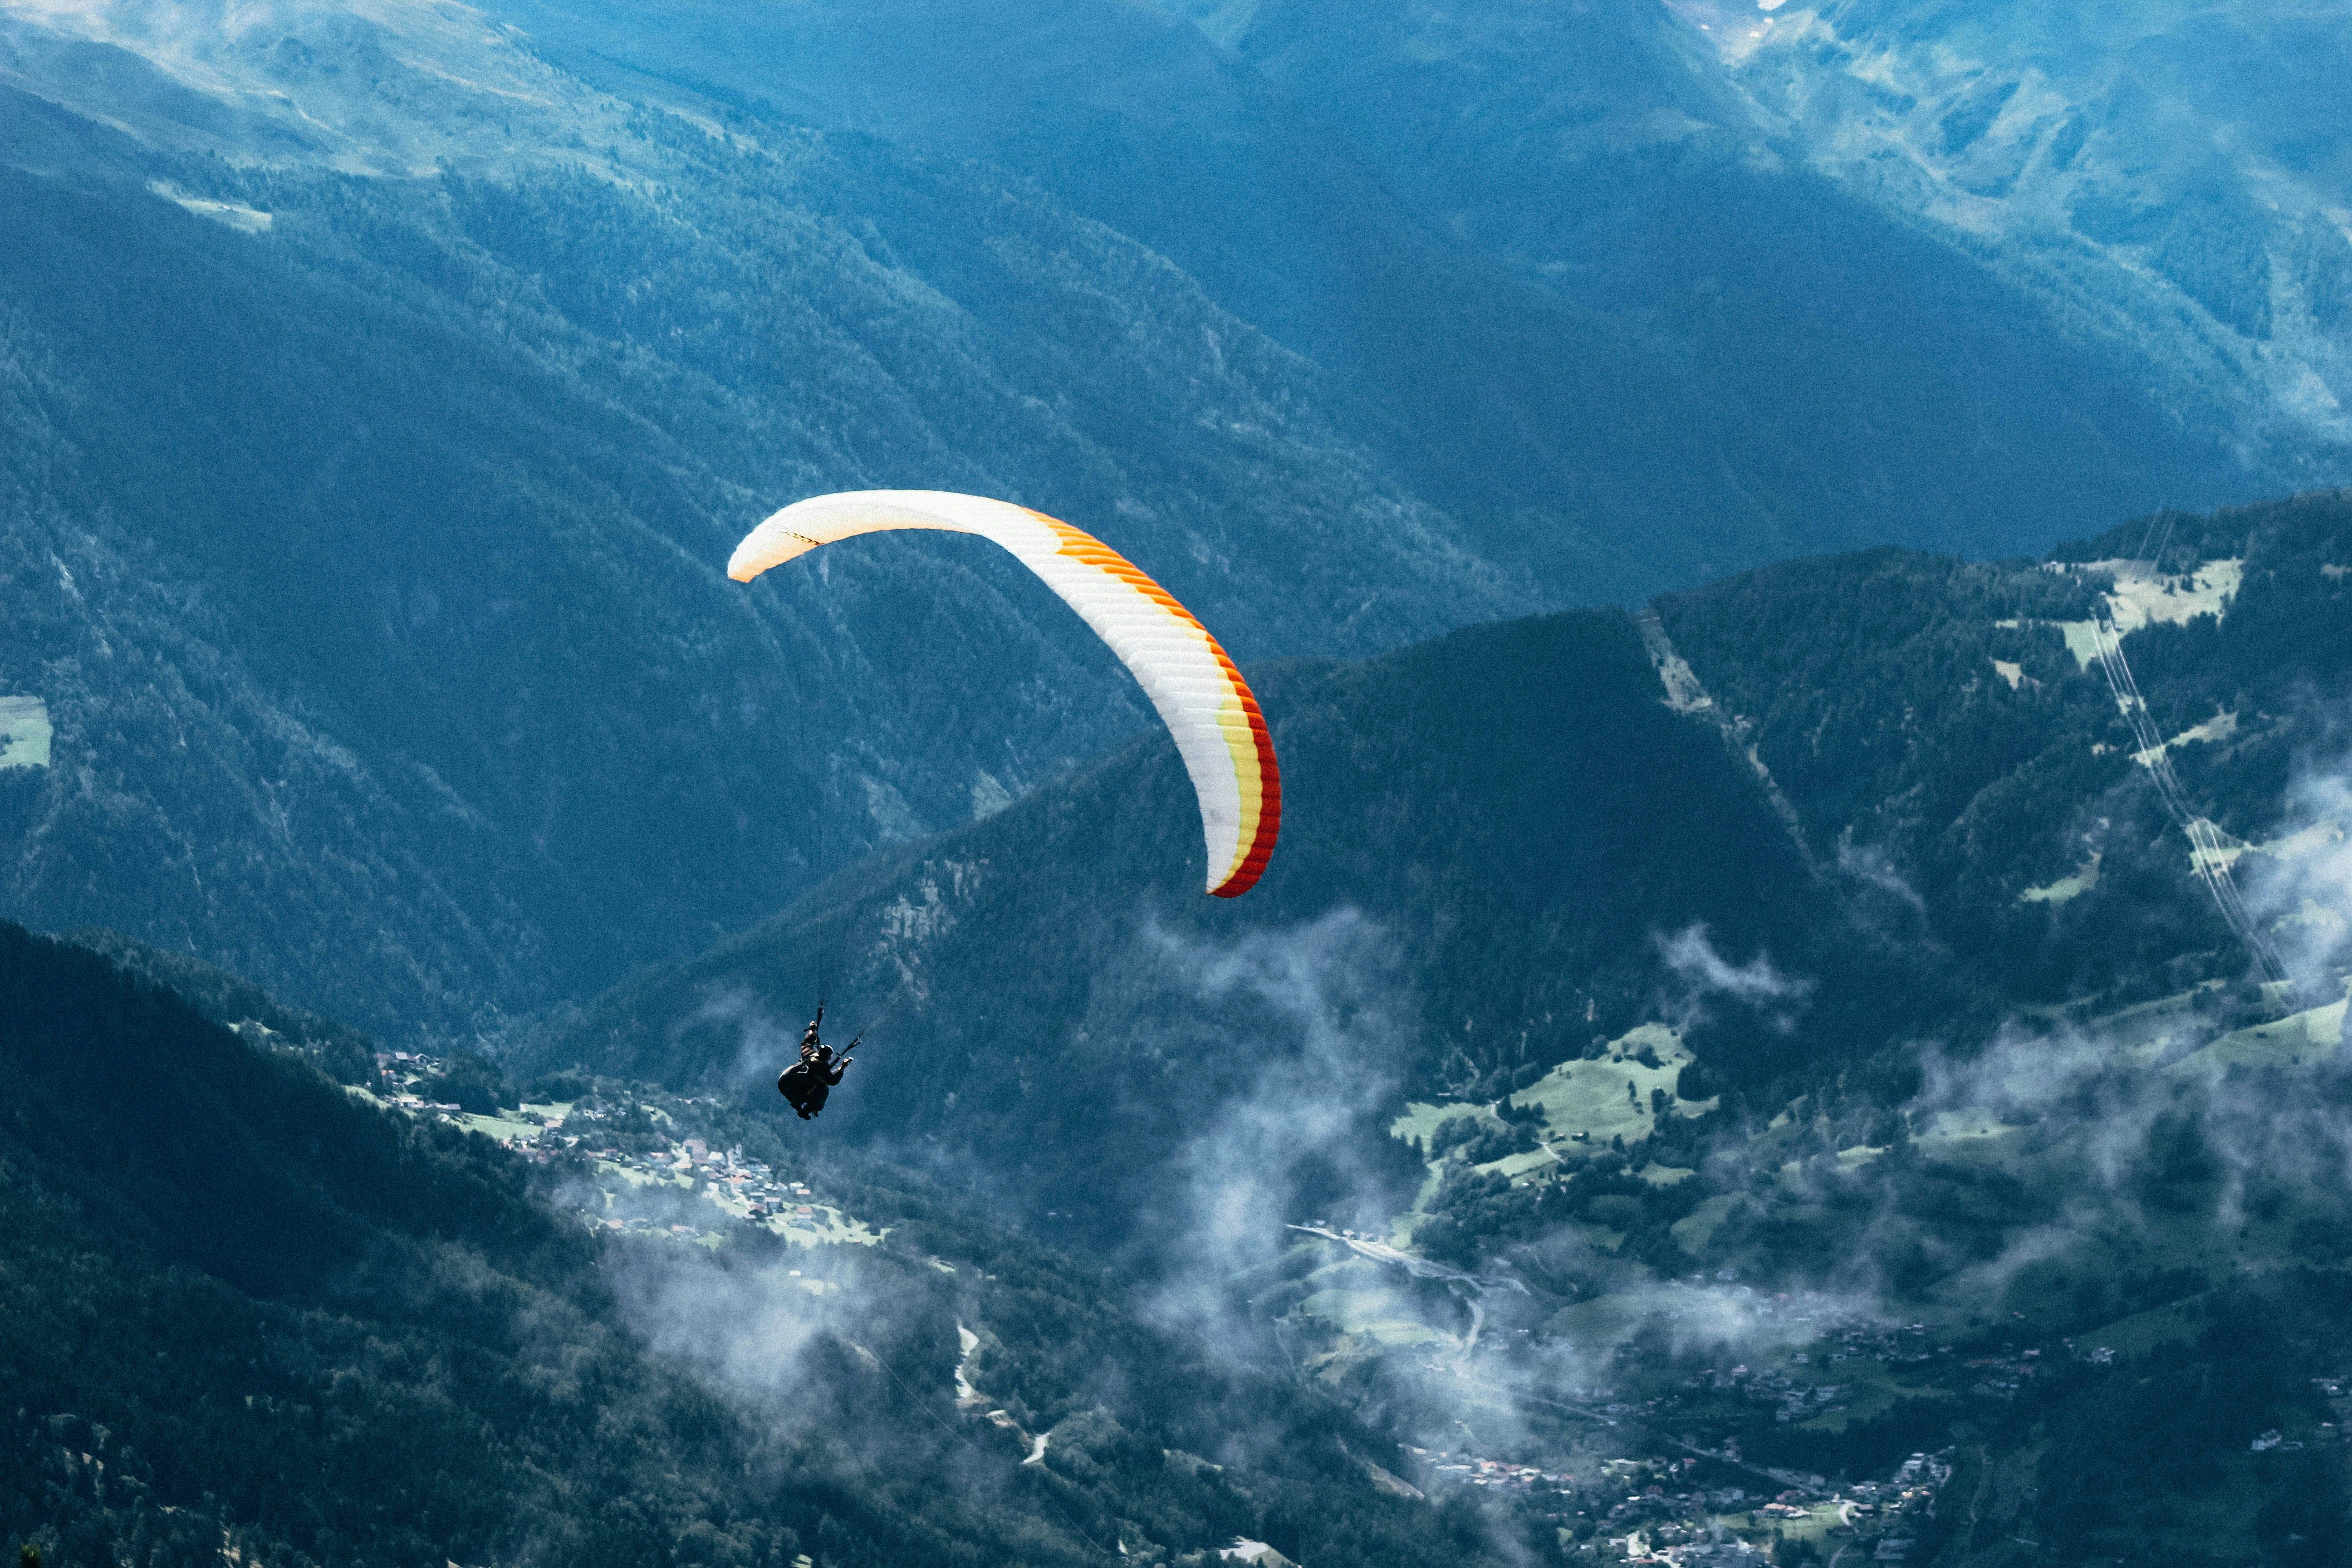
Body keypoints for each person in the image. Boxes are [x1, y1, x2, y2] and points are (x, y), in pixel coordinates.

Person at [777, 1007, 851, 1120]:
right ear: (826, 1058)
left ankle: (800, 1105)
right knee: (824, 1089)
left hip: (783, 1082)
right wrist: (842, 1068)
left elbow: (808, 1042)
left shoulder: (809, 1054)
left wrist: (813, 1030)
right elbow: (832, 1081)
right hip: (794, 1090)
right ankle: (806, 1110)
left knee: (817, 1082)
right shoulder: (821, 1069)